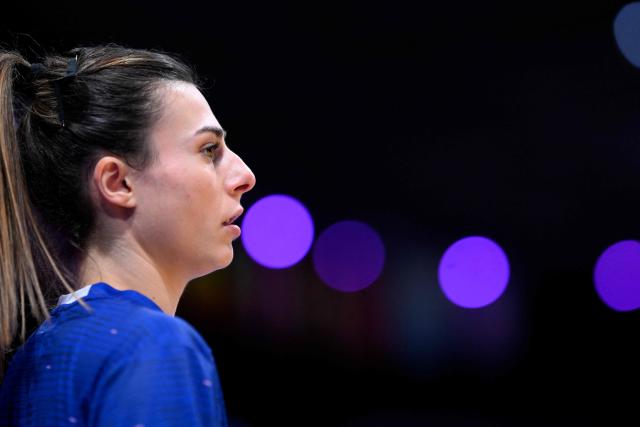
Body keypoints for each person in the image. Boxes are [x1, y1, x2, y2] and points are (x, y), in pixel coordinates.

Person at [0, 43, 256, 426]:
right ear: (117, 182)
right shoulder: (153, 346)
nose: (244, 176)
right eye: (208, 149)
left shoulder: (33, 357)